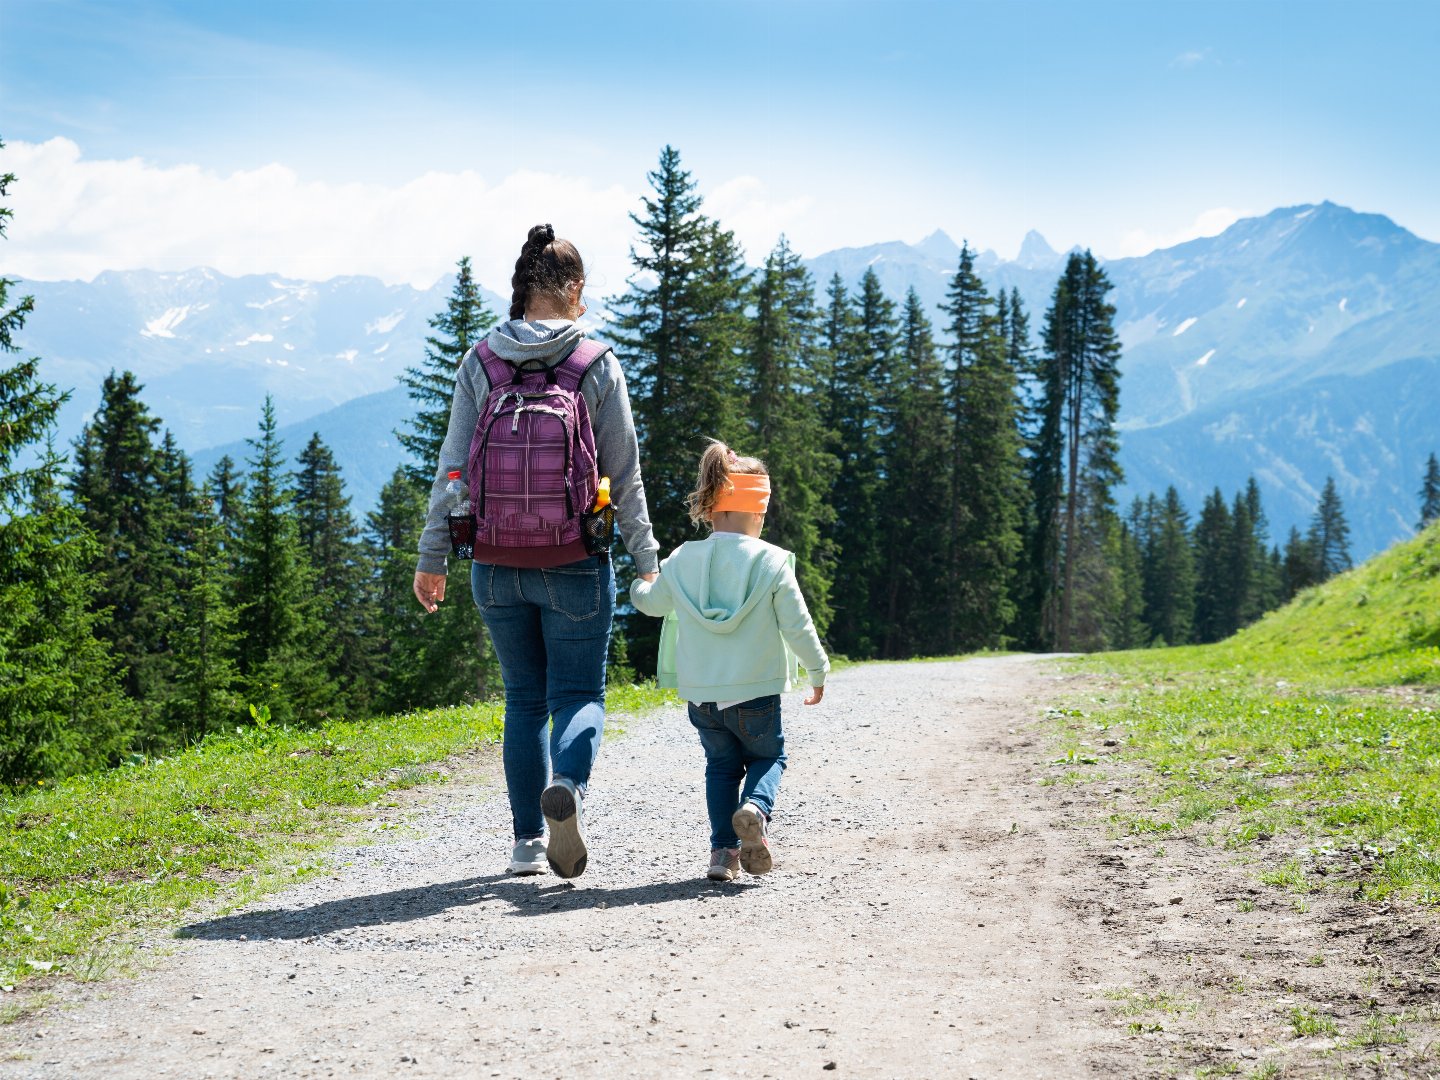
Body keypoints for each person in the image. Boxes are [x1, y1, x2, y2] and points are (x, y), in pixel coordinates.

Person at [413, 224, 659, 879]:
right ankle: (568, 790)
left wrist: (431, 558)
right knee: (577, 690)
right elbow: (624, 472)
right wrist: (646, 558)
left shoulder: (480, 362)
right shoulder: (595, 364)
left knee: (523, 698)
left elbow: (452, 471)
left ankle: (526, 842)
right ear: (574, 290)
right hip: (575, 558)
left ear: (522, 289)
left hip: (493, 562)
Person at [630, 441, 829, 882]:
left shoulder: (682, 559)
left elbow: (652, 604)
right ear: (757, 513)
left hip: (702, 694)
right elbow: (798, 624)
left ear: (712, 505)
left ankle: (723, 856)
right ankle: (755, 809)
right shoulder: (773, 562)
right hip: (756, 691)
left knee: (720, 768)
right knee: (769, 757)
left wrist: (639, 585)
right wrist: (817, 670)